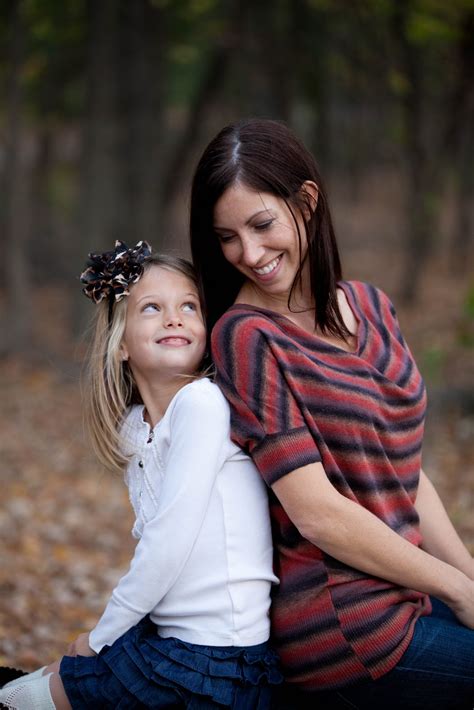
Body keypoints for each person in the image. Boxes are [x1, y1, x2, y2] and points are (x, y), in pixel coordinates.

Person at [189, 118, 474, 710]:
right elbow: (317, 515)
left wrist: (469, 581)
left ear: (307, 201)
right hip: (344, 627)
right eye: (227, 237)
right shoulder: (246, 337)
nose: (249, 254)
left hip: (408, 592)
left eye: (262, 224)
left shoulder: (372, 305)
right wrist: (456, 590)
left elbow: (403, 470)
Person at [0, 241, 282, 710]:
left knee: (21, 698)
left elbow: (167, 543)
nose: (175, 318)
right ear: (122, 345)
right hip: (168, 639)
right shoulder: (138, 428)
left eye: (188, 306)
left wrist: (100, 638)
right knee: (39, 681)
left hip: (214, 662)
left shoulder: (201, 404)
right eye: (152, 307)